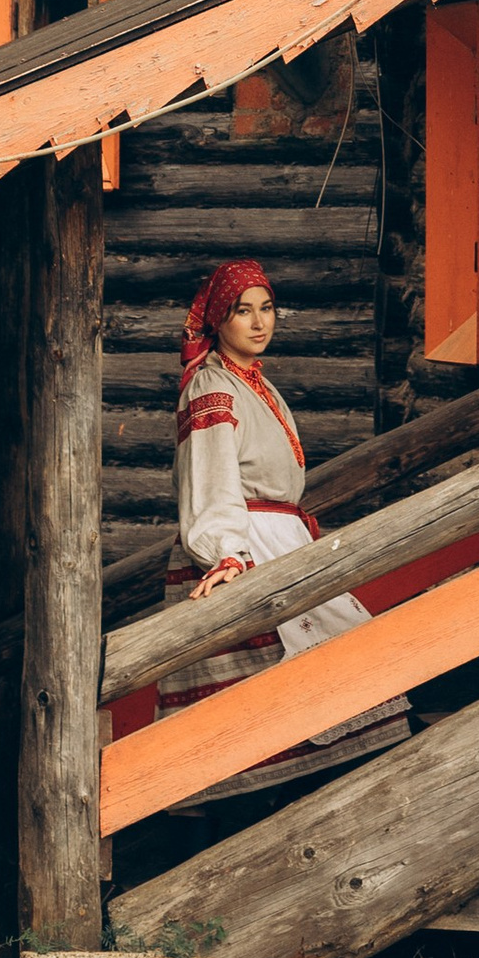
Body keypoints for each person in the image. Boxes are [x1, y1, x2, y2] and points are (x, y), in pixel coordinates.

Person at [158, 261, 404, 762]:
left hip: (283, 538)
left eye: (266, 308)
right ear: (218, 321)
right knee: (264, 708)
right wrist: (226, 554)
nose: (258, 322)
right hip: (246, 540)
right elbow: (210, 477)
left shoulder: (258, 385)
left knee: (349, 665)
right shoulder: (212, 388)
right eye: (242, 311)